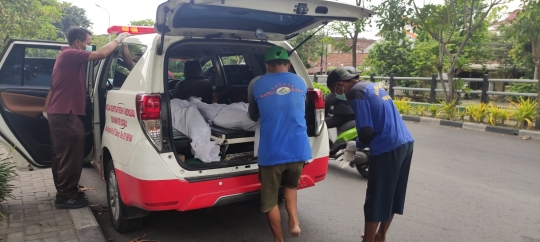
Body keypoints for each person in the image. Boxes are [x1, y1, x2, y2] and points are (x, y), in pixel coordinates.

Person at [44, 27, 130, 209]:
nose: (89, 47)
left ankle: (67, 191)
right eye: (88, 43)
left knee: (64, 155)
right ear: (78, 43)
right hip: (65, 114)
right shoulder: (70, 55)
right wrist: (119, 39)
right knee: (70, 156)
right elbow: (102, 54)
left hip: (62, 113)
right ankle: (67, 196)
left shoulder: (66, 57)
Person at [328, 67, 415, 242]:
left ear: (339, 85)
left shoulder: (354, 93)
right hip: (405, 143)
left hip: (387, 147)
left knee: (375, 198)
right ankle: (380, 235)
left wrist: (353, 146)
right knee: (392, 193)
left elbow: (366, 133)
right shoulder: (371, 86)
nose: (337, 95)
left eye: (335, 91)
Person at [248, 46, 312, 242]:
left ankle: (279, 240)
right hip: (299, 148)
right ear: (289, 64)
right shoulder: (301, 82)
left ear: (266, 65)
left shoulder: (256, 84)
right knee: (290, 186)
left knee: (269, 202)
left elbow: (252, 115)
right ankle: (293, 221)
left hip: (272, 152)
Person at [325, 66, 356, 130]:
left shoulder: (341, 89)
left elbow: (326, 102)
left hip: (342, 117)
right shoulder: (355, 88)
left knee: (321, 124)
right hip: (354, 116)